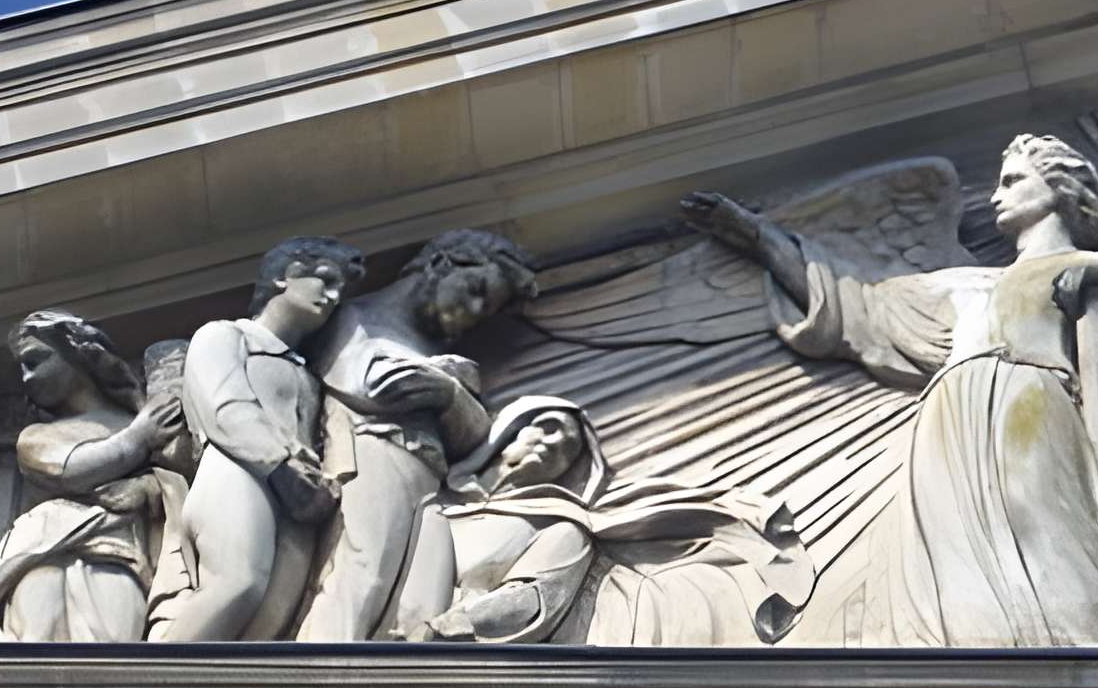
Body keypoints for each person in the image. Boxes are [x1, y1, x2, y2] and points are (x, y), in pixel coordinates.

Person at [689, 133, 1098, 646]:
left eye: (1013, 181)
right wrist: (761, 238)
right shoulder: (970, 289)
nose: (994, 196)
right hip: (946, 434)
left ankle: (1089, 657)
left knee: (1053, 541)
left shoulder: (1089, 272)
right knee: (956, 579)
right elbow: (855, 308)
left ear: (1057, 188)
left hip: (1028, 415)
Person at [295, 228, 539, 642]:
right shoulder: (361, 317)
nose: (475, 311)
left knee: (417, 599)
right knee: (365, 574)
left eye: (485, 310)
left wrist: (448, 393)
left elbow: (474, 436)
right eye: (476, 290)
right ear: (442, 265)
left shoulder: (422, 348)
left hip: (426, 475)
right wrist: (451, 388)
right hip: (373, 452)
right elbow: (372, 384)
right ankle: (319, 676)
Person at [418, 395, 812, 647]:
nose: (555, 445)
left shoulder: (560, 526)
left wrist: (457, 624)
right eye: (549, 428)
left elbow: (533, 600)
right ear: (507, 432)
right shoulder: (423, 492)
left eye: (569, 448)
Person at [151, 238, 360, 643]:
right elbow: (225, 407)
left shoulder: (308, 373)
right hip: (239, 470)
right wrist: (283, 466)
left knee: (272, 622)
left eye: (341, 289)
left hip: (298, 499)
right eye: (324, 280)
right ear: (284, 277)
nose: (333, 297)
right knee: (238, 583)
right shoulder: (224, 336)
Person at [0, 310, 185, 642]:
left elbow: (185, 480)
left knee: (115, 650)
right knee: (36, 645)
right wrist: (138, 439)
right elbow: (69, 470)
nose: (26, 378)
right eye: (23, 367)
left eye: (35, 360)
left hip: (118, 552)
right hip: (40, 552)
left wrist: (149, 484)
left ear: (77, 353)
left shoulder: (139, 417)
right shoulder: (37, 436)